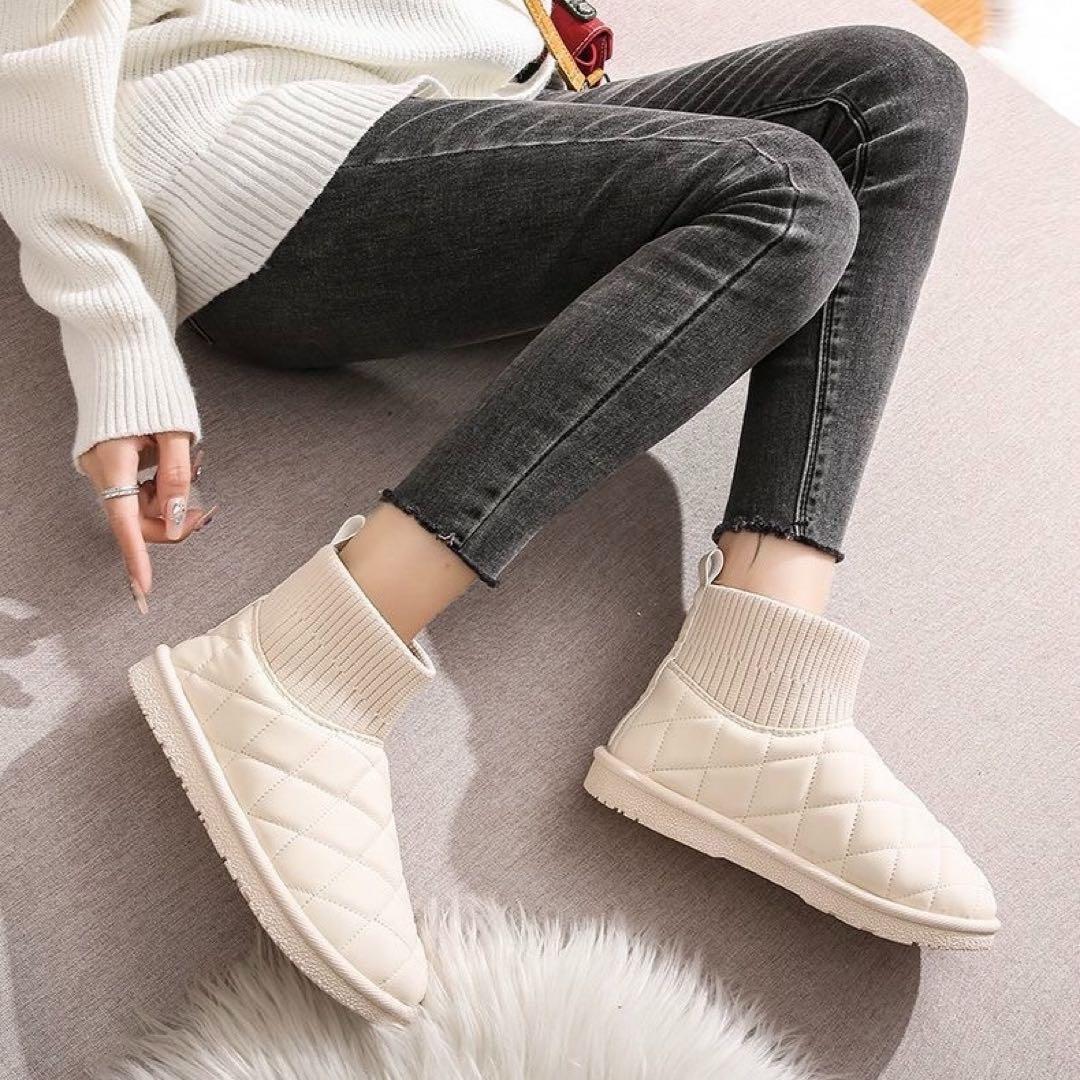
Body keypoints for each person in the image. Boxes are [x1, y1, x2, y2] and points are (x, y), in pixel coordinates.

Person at [0, 2, 997, 1025]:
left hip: (474, 120)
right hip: (261, 156)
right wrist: (119, 340)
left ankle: (753, 682)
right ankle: (304, 663)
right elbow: (30, 64)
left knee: (898, 88)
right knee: (786, 198)